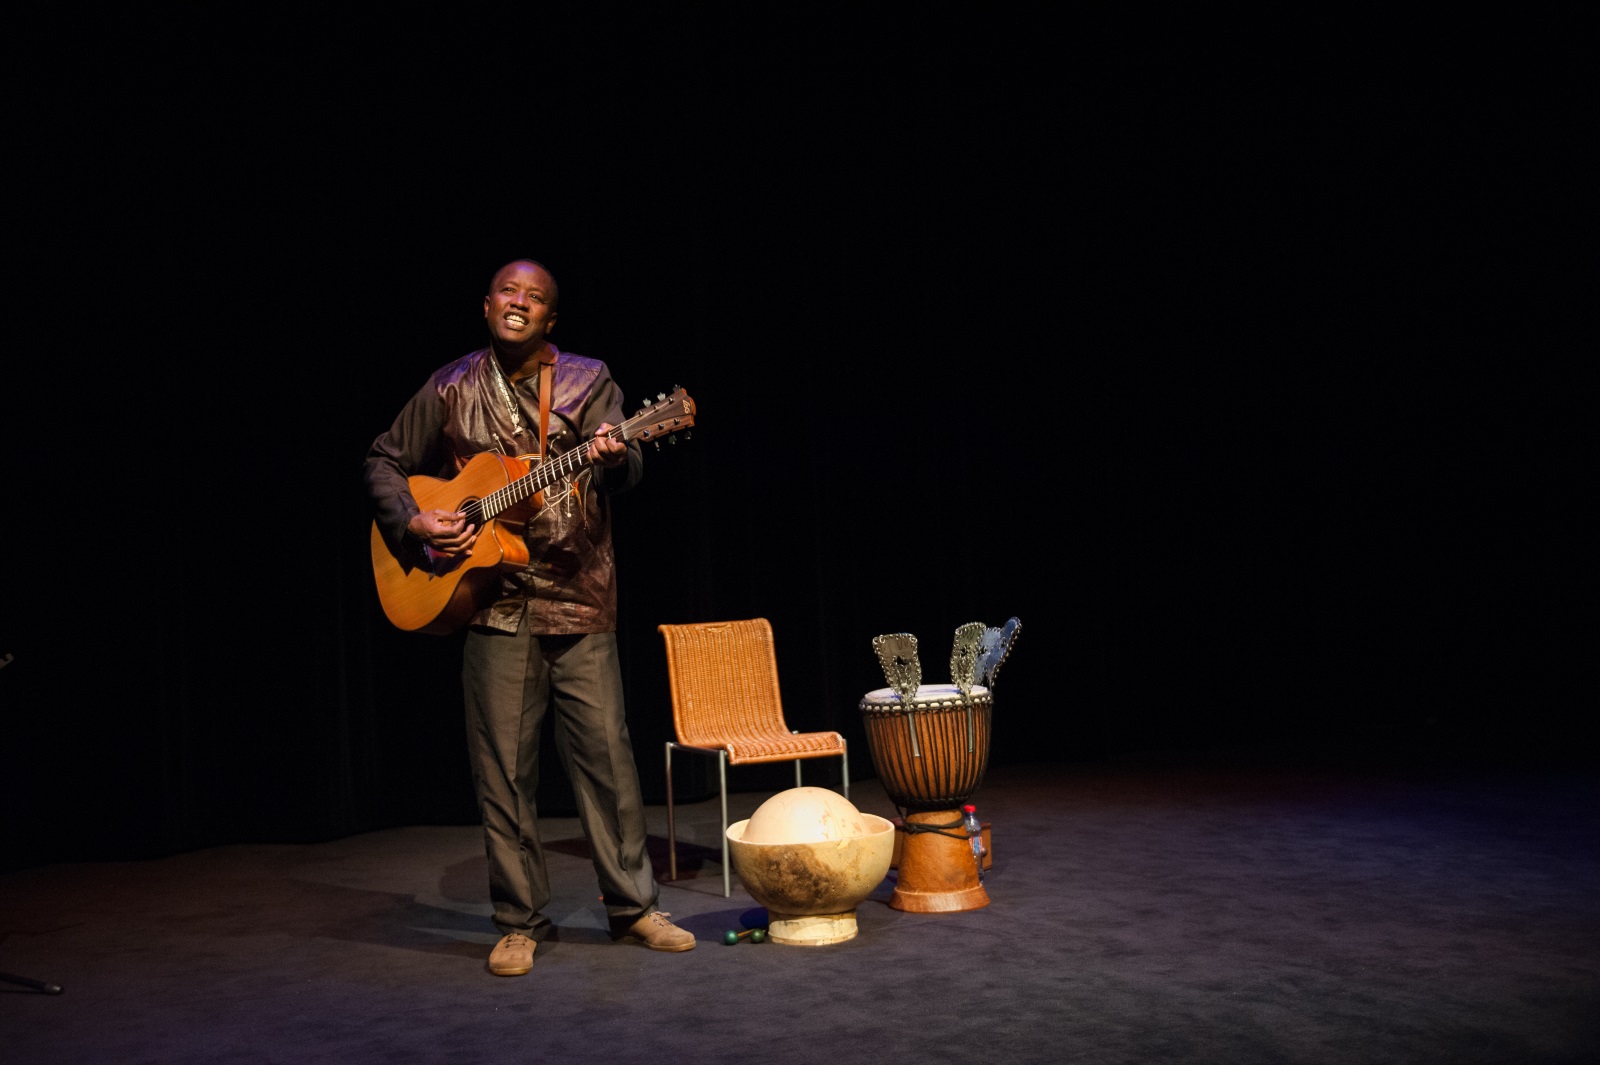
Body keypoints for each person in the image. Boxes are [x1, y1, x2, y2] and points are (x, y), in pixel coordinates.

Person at [363, 258, 694, 976]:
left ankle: (634, 908)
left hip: (579, 594)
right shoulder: (449, 384)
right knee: (503, 772)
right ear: (487, 306)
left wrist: (614, 452)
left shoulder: (586, 377)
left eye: (536, 297)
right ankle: (519, 920)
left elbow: (627, 462)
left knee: (607, 761)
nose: (520, 303)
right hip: (491, 602)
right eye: (509, 292)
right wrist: (417, 519)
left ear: (551, 319)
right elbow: (385, 460)